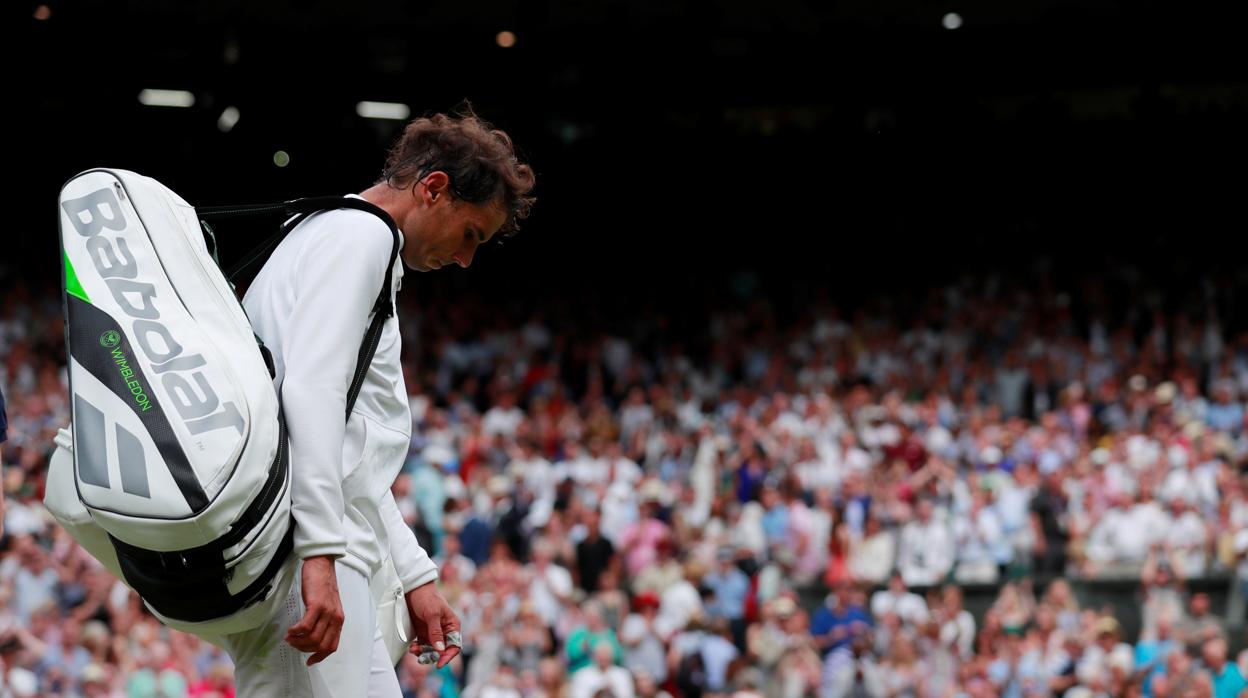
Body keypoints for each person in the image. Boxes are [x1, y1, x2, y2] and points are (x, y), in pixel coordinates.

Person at [223, 107, 536, 697]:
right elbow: (309, 394)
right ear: (434, 189)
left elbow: (350, 455)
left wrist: (415, 576)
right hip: (307, 552)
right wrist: (318, 556)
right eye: (471, 234)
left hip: (320, 545)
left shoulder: (338, 232)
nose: (467, 259)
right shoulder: (362, 236)